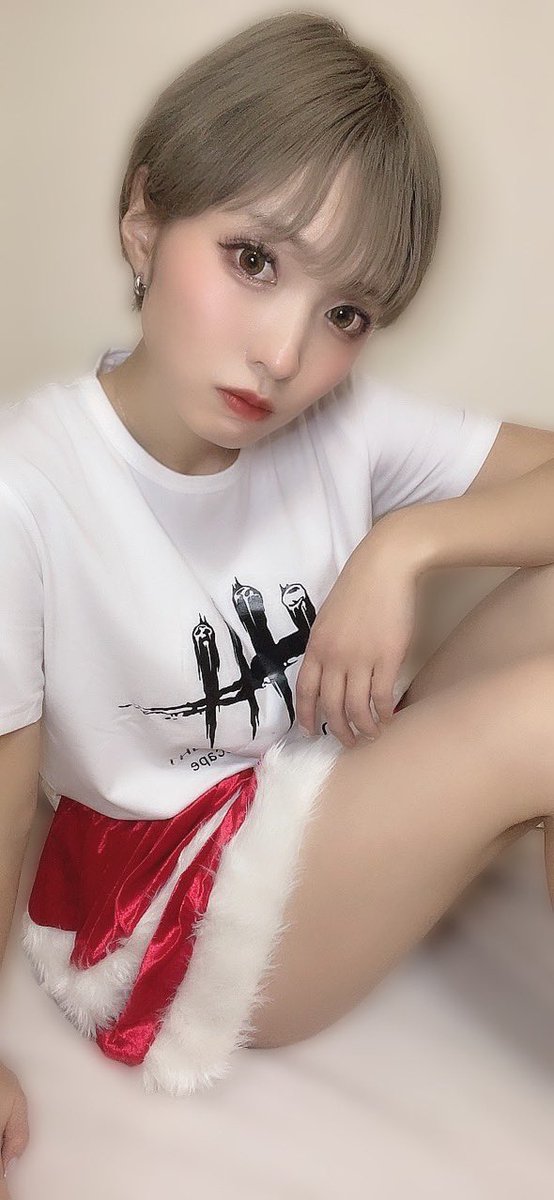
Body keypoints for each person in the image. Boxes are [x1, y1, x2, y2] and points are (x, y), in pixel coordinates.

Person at [1, 11, 552, 1152]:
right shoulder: (29, 484)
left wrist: (403, 545)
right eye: (253, 261)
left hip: (319, 795)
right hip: (167, 907)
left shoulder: (341, 422)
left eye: (344, 313)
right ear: (145, 218)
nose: (285, 355)